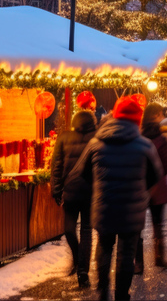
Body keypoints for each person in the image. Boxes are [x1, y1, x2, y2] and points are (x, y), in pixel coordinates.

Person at [68, 94, 163, 301]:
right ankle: (121, 295)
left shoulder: (96, 143)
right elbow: (156, 176)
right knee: (126, 253)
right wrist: (141, 191)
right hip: (132, 209)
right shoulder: (145, 145)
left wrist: (99, 186)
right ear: (137, 120)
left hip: (104, 206)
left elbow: (80, 173)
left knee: (104, 246)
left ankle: (102, 292)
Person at [50, 111, 96, 288]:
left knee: (69, 229)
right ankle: (80, 264)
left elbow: (56, 166)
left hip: (71, 192)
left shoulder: (64, 137)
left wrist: (56, 189)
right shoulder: (98, 137)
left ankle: (82, 269)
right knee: (85, 231)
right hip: (90, 192)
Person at [136, 103, 167, 273]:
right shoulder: (161, 138)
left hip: (138, 186)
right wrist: (158, 173)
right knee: (157, 223)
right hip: (157, 187)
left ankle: (138, 263)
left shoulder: (137, 136)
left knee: (137, 225)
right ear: (157, 115)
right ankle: (159, 257)